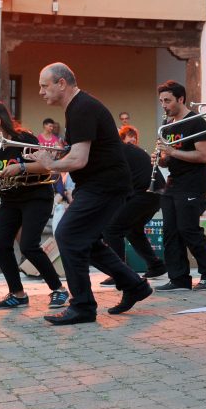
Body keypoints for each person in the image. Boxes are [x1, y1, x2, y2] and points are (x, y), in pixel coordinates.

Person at [30, 63, 153, 325]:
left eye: (44, 85)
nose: (40, 91)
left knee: (67, 234)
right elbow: (81, 153)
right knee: (86, 241)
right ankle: (134, 285)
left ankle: (83, 306)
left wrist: (49, 163)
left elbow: (79, 159)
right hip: (100, 184)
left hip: (105, 184)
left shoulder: (82, 107)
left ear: (61, 83)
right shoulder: (78, 107)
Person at [0, 100, 69, 309]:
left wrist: (21, 167)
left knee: (28, 246)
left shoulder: (24, 138)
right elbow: (1, 176)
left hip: (36, 197)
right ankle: (17, 294)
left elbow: (46, 167)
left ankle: (59, 290)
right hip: (11, 199)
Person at [155, 80, 206, 292]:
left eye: (167, 100)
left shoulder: (197, 122)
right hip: (173, 183)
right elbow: (169, 158)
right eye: (161, 101)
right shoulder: (168, 124)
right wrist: (161, 158)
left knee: (188, 230)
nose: (164, 105)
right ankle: (178, 278)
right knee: (170, 232)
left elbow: (203, 156)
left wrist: (172, 152)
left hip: (192, 183)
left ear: (180, 99)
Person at [101, 125, 167, 285]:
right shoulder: (124, 150)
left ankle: (120, 272)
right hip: (153, 194)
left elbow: (113, 182)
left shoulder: (115, 152)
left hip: (145, 194)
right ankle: (156, 265)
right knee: (133, 230)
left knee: (111, 229)